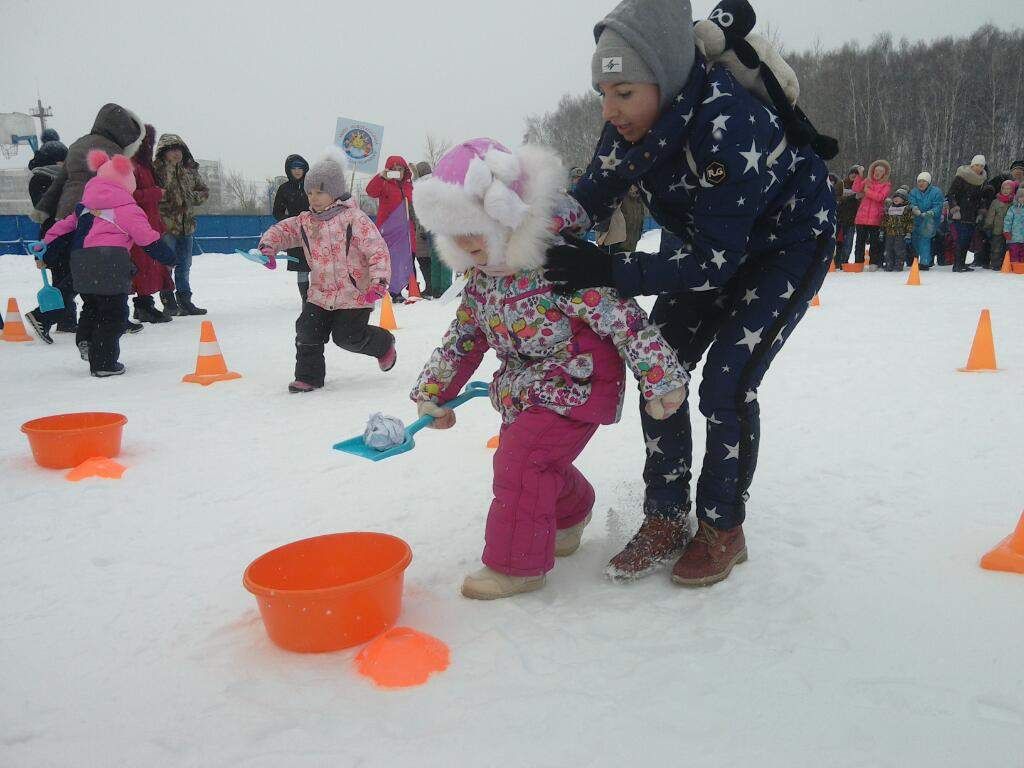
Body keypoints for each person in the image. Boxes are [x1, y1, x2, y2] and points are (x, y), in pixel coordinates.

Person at [542, 0, 837, 585]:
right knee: (663, 369)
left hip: (786, 248)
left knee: (726, 386)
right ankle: (666, 515)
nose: (610, 109)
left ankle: (723, 526)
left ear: (666, 78)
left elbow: (714, 264)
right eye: (603, 93)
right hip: (705, 243)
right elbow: (590, 198)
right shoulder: (622, 130)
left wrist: (610, 269)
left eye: (624, 92)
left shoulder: (729, 124)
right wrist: (521, 227)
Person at [411, 138, 688, 599]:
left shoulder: (558, 265)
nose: (466, 243)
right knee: (537, 461)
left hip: (579, 383)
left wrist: (660, 380)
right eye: (454, 232)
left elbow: (626, 321)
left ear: (505, 219)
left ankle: (517, 566)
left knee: (521, 459)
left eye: (475, 228)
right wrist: (432, 391)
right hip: (525, 386)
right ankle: (572, 510)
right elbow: (463, 339)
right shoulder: (482, 283)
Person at [255, 148, 396, 393]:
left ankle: (383, 344)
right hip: (320, 292)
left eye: (320, 192)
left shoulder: (355, 219)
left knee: (347, 337)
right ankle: (308, 377)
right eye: (310, 192)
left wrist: (379, 281)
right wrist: (268, 246)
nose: (314, 198)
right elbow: (282, 231)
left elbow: (377, 250)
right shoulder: (306, 220)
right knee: (307, 331)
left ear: (335, 191)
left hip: (354, 294)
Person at [32, 151, 174, 376]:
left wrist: (44, 245)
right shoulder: (126, 208)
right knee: (114, 313)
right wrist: (168, 257)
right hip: (110, 261)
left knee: (92, 305)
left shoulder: (84, 208)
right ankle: (104, 363)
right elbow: (147, 238)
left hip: (80, 261)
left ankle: (86, 340)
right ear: (126, 182)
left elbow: (61, 228)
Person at [33, 103, 145, 224]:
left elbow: (59, 182)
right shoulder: (114, 152)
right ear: (122, 131)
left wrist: (43, 209)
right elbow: (121, 192)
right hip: (95, 216)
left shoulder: (78, 144)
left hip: (67, 211)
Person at [23, 141, 77, 343]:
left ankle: (66, 321)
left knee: (65, 278)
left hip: (63, 234)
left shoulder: (59, 178)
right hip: (55, 235)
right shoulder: (41, 178)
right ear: (56, 160)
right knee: (72, 278)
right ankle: (42, 316)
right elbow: (48, 208)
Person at [153, 133, 209, 314]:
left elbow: (204, 191)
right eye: (171, 150)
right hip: (166, 226)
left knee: (185, 265)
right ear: (163, 152)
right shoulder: (157, 171)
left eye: (179, 150)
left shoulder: (189, 171)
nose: (176, 154)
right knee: (165, 264)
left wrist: (191, 197)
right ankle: (168, 300)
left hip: (187, 226)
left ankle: (185, 300)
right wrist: (166, 199)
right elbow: (152, 194)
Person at [128, 125, 174, 324]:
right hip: (139, 225)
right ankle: (143, 305)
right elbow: (130, 195)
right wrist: (155, 193)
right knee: (143, 265)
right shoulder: (132, 166)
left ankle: (145, 304)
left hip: (150, 223)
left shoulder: (145, 167)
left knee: (152, 266)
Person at [366, 156, 415, 303]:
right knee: (390, 260)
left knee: (406, 259)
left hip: (406, 230)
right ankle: (393, 290)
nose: (397, 172)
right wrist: (381, 176)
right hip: (388, 229)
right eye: (394, 169)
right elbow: (370, 191)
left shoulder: (408, 185)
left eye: (400, 169)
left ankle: (410, 287)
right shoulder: (384, 183)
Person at [272, 154, 311, 301]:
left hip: (315, 232)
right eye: (294, 167)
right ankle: (306, 300)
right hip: (296, 235)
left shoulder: (311, 185)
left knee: (321, 266)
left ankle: (320, 300)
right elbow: (277, 212)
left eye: (300, 167)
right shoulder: (284, 189)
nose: (297, 170)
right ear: (288, 169)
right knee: (302, 269)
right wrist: (290, 223)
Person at [946, 155, 988, 272]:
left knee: (968, 239)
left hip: (972, 214)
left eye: (981, 166)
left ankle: (961, 263)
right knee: (961, 239)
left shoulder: (982, 180)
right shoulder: (961, 177)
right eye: (977, 165)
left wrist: (981, 211)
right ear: (972, 165)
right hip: (960, 213)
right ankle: (957, 264)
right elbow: (951, 194)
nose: (979, 168)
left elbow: (981, 198)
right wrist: (954, 208)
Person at [852, 160, 892, 270]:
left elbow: (880, 197)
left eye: (881, 171)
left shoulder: (886, 184)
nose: (877, 172)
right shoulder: (867, 181)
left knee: (874, 243)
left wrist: (867, 192)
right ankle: (858, 263)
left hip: (875, 219)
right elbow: (856, 189)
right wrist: (859, 176)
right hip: (861, 218)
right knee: (859, 242)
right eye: (876, 170)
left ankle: (873, 263)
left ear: (884, 173)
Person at [909, 172, 944, 270]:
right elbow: (911, 202)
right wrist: (914, 209)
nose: (921, 183)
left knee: (925, 239)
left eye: (923, 181)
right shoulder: (914, 192)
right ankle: (915, 259)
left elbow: (938, 205)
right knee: (915, 240)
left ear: (928, 182)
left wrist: (931, 213)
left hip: (929, 220)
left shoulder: (936, 192)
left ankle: (924, 262)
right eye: (919, 181)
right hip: (916, 219)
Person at [982, 179, 1017, 270]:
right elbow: (991, 215)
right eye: (1004, 188)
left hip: (1011, 230)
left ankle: (1008, 264)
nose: (1006, 190)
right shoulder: (996, 202)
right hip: (997, 229)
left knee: (1009, 248)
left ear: (1012, 190)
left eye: (1008, 189)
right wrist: (988, 226)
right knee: (996, 248)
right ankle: (996, 264)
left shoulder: (1015, 202)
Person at [881, 187, 914, 272]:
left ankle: (898, 264)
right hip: (889, 233)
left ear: (903, 199)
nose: (896, 199)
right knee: (888, 249)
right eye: (895, 197)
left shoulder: (906, 209)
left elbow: (910, 221)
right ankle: (889, 264)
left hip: (900, 233)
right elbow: (885, 220)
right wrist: (882, 230)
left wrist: (908, 233)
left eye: (899, 197)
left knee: (899, 250)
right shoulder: (890, 208)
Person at [836, 166, 862, 269]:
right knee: (837, 242)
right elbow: (836, 197)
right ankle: (835, 261)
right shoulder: (841, 183)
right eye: (852, 173)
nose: (853, 175)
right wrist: (851, 197)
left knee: (848, 243)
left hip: (851, 220)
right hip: (839, 217)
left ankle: (844, 262)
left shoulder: (860, 186)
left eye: (856, 174)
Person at [1003, 184, 1024, 266]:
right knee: (1014, 252)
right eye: (1021, 197)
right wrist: (1006, 231)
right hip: (1014, 237)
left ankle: (1022, 266)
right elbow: (1008, 221)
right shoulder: (1013, 209)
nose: (1022, 199)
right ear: (1017, 198)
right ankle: (1014, 266)